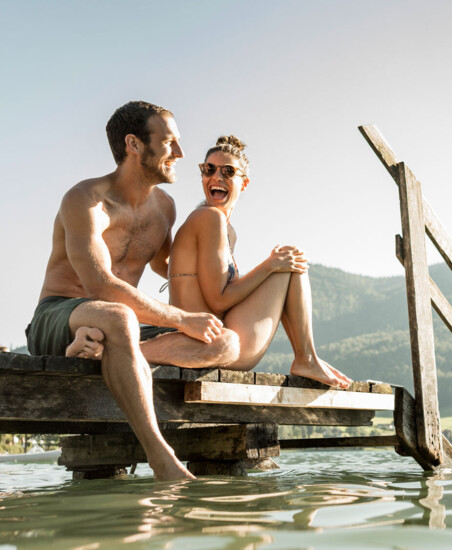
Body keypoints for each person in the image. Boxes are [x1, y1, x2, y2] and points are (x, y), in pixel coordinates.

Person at [25, 101, 240, 481]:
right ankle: (162, 458)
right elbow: (99, 286)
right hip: (59, 315)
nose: (181, 153)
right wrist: (181, 318)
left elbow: (170, 268)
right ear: (134, 145)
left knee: (226, 343)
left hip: (116, 329)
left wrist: (222, 236)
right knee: (119, 314)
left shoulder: (166, 209)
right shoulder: (86, 200)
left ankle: (111, 354)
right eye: (170, 142)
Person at [168, 135, 351, 388]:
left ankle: (308, 357)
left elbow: (219, 299)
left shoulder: (226, 229)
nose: (216, 177)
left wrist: (273, 266)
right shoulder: (208, 218)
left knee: (288, 258)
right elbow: (218, 300)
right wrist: (269, 266)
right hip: (207, 346)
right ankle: (306, 358)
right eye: (208, 169)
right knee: (287, 259)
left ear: (244, 183)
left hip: (218, 338)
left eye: (228, 171)